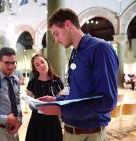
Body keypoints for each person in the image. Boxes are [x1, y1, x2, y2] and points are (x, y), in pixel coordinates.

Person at [38, 8, 119, 141]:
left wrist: (61, 110)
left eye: (56, 33)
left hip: (90, 135)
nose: (56, 40)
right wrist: (56, 101)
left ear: (68, 24)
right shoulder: (75, 54)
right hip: (70, 132)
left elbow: (107, 101)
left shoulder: (100, 49)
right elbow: (77, 95)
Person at [25, 54, 64, 141]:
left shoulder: (57, 81)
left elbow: (61, 100)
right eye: (37, 65)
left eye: (42, 62)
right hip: (37, 119)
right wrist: (35, 105)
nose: (41, 66)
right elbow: (29, 102)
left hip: (53, 118)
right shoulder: (32, 82)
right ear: (35, 69)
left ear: (47, 62)